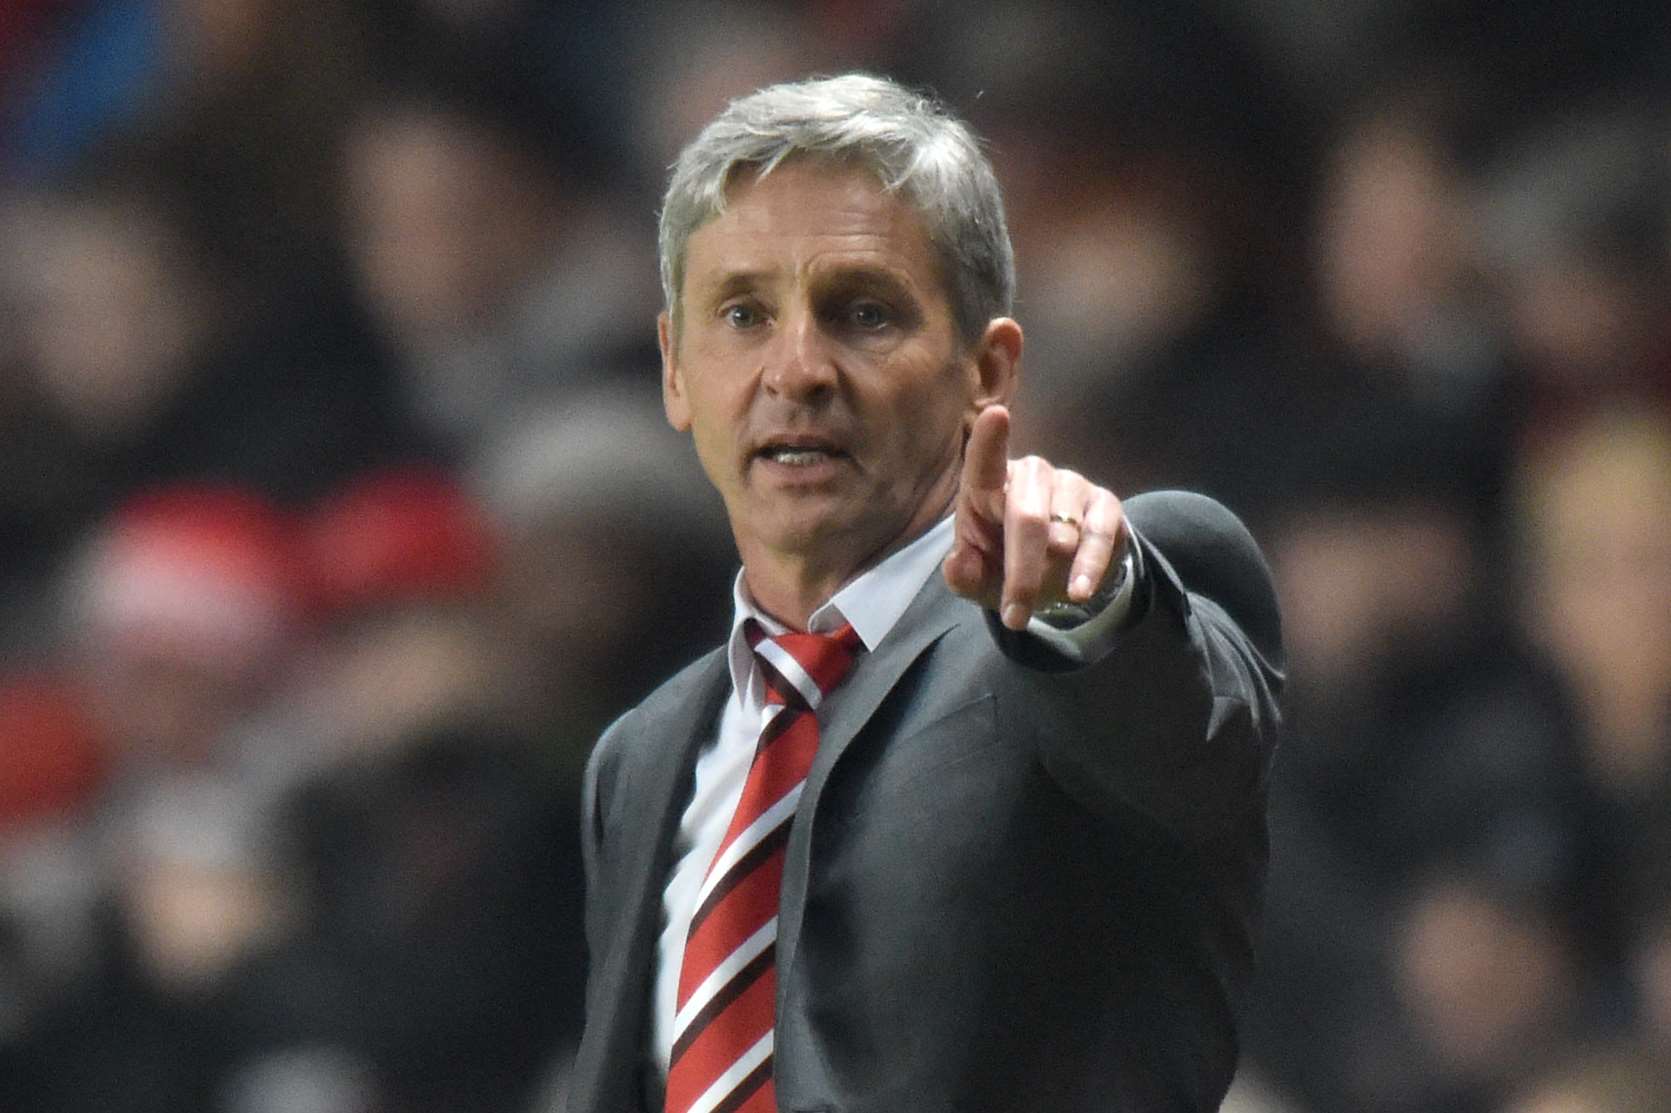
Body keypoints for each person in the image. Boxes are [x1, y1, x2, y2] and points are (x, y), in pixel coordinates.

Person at [564, 73, 1284, 1113]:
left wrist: (1088, 597)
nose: (798, 368)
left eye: (862, 313)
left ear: (987, 370)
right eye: (743, 313)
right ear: (677, 369)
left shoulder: (1064, 626)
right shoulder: (640, 759)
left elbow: (1180, 742)